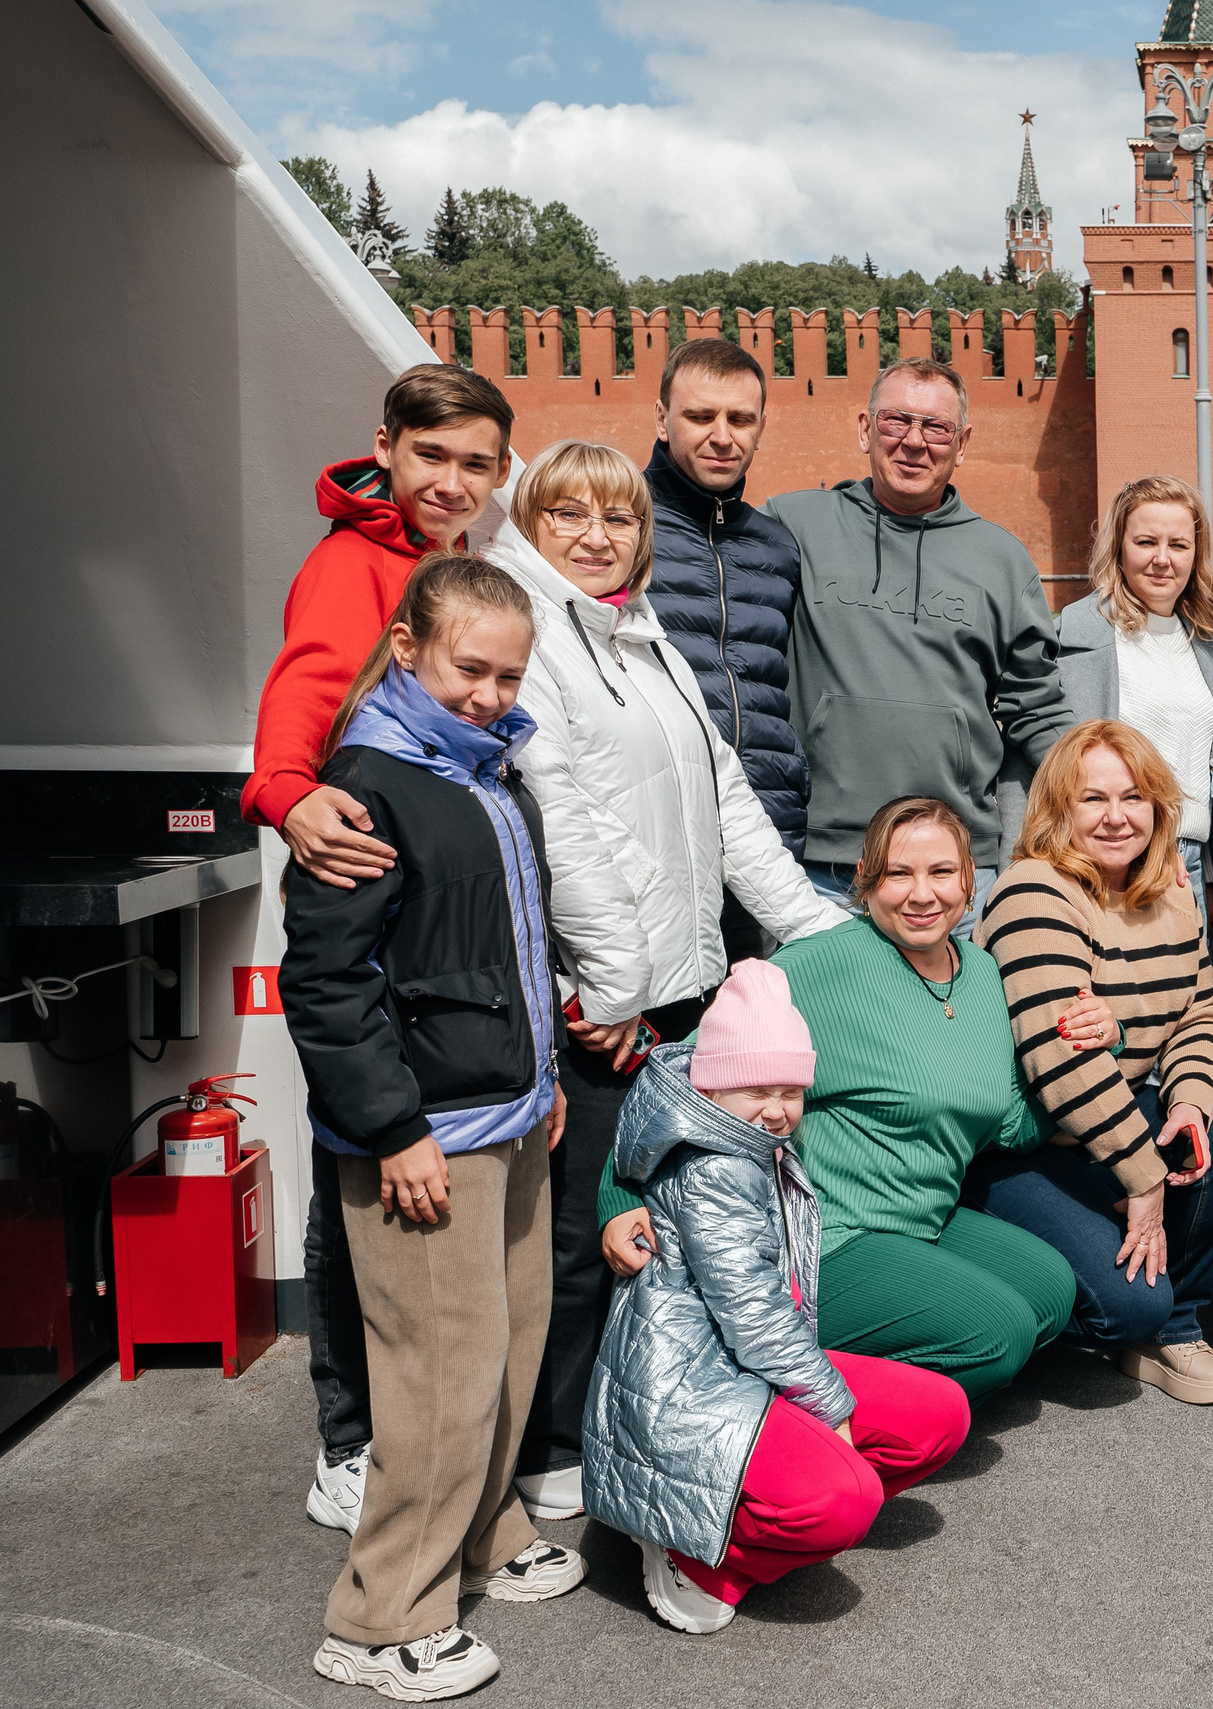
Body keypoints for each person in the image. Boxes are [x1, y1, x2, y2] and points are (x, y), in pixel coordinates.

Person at [485, 439, 849, 1520]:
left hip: (678, 990)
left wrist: (822, 935)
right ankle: (554, 1444)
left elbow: (729, 802)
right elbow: (561, 812)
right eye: (570, 516)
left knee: (664, 1231)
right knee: (583, 1235)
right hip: (613, 1005)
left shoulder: (642, 635)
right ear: (532, 521)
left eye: (619, 517)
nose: (598, 536)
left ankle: (645, 1432)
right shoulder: (535, 637)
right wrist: (613, 982)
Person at [279, 555, 580, 1701]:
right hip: (426, 1134)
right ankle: (380, 1616)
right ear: (406, 647)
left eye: (508, 674)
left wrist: (543, 1072)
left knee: (507, 1348)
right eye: (470, 667)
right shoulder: (366, 787)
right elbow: (328, 981)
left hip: (507, 1110)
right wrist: (393, 1127)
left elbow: (511, 940)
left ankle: (483, 1533)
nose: (491, 693)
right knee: (440, 1374)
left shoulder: (489, 772)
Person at [244, 364, 515, 1538]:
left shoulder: (459, 566)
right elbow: (302, 703)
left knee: (387, 1186)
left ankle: (401, 1439)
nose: (451, 481)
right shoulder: (349, 563)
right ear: (386, 448)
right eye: (432, 456)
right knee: (356, 1168)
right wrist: (284, 794)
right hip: (366, 885)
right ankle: (348, 1439)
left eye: (476, 462)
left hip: (431, 893)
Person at [598, 798, 1075, 1398]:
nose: (922, 894)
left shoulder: (981, 975)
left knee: (1051, 1292)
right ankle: (783, 1389)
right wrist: (617, 1195)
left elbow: (1005, 1123)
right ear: (865, 881)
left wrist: (1088, 1055)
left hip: (921, 1220)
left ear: (969, 881)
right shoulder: (819, 965)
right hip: (824, 1235)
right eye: (899, 874)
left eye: (941, 873)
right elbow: (675, 1077)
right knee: (997, 1334)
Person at [584, 962, 969, 1635]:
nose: (778, 1107)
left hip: (749, 1367)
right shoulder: (716, 1163)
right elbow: (752, 1315)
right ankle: (698, 1552)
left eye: (791, 1089)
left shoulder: (750, 1140)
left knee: (940, 1414)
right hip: (694, 1384)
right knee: (847, 1498)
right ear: (712, 1084)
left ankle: (766, 1509)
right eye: (758, 1086)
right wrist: (830, 1407)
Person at [970, 722, 1213, 1404]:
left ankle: (1174, 1328)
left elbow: (1203, 1010)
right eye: (1092, 798)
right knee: (1125, 1305)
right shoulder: (1032, 891)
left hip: (1112, 1125)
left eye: (1133, 796)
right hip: (1027, 1144)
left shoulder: (1169, 894)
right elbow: (1063, 1061)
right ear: (1057, 810)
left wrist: (1189, 1100)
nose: (1115, 816)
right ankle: (1017, 1276)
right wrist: (1145, 1179)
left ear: (1158, 807)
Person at [770, 357, 1076, 926]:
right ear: (866, 429)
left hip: (953, 870)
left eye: (935, 428)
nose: (914, 442)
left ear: (961, 444)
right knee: (820, 1018)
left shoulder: (1002, 559)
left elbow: (1036, 706)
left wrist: (1110, 800)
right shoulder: (791, 527)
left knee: (952, 1016)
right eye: (896, 422)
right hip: (821, 868)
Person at [643, 338, 813, 968]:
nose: (722, 436)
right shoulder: (618, 528)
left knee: (750, 1040)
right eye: (700, 417)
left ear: (760, 428)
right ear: (662, 420)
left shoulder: (776, 546)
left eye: (740, 420)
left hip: (763, 832)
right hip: (655, 831)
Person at [1055, 475, 1213, 913]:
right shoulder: (1075, 637)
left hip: (1185, 863)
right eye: (1146, 542)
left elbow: (1199, 768)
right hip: (1106, 860)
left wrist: (1206, 876)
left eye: (1178, 545)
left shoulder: (1206, 644)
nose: (1162, 559)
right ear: (1118, 547)